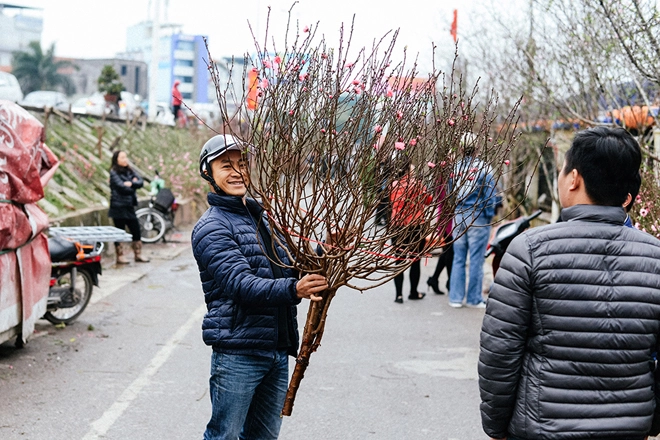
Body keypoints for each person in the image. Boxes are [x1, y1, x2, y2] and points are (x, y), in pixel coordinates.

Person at [478, 126, 660, 440]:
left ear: (573, 178)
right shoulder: (656, 258)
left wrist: (495, 426)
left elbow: (500, 351)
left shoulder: (529, 250)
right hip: (629, 428)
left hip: (541, 428)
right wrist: (651, 421)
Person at [191, 134, 328, 440]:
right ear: (207, 173)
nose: (237, 172)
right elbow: (241, 285)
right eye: (226, 165)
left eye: (242, 164)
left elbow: (289, 265)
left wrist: (324, 255)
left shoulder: (261, 218)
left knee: (263, 437)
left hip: (276, 350)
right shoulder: (212, 227)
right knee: (223, 436)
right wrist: (294, 290)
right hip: (239, 352)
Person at [448, 137, 499, 308]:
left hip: (458, 215)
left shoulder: (454, 168)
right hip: (477, 216)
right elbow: (490, 196)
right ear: (477, 148)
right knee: (477, 259)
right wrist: (488, 216)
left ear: (461, 149)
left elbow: (450, 193)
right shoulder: (484, 169)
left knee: (459, 258)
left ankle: (455, 298)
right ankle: (474, 298)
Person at [389, 159, 432, 303]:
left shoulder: (393, 185)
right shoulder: (417, 185)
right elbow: (428, 200)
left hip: (397, 227)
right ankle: (413, 292)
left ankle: (398, 295)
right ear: (408, 170)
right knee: (415, 260)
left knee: (399, 260)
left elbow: (390, 202)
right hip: (415, 226)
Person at [108, 150, 150, 264]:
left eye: (125, 157)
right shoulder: (114, 172)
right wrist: (132, 184)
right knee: (119, 232)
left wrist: (131, 183)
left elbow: (140, 182)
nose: (125, 159)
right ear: (116, 160)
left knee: (136, 230)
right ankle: (120, 256)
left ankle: (138, 254)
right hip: (118, 207)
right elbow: (122, 187)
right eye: (122, 157)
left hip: (129, 206)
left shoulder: (130, 170)